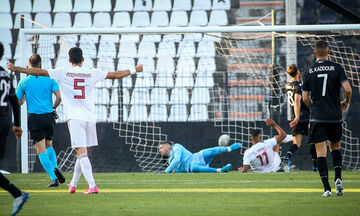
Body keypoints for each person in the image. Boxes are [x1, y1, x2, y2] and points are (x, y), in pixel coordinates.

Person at [8, 47, 143, 194]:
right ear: (83, 59)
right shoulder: (92, 72)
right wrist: (134, 69)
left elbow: (38, 72)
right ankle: (73, 184)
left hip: (75, 118)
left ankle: (92, 186)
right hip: (90, 118)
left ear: (69, 60)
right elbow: (115, 75)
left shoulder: (62, 72)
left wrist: (16, 68)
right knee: (82, 152)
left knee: (81, 153)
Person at [302, 40, 352, 197]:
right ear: (329, 52)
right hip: (334, 115)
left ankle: (327, 189)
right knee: (335, 148)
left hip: (318, 117)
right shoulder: (337, 68)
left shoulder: (309, 71)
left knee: (320, 152)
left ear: (315, 53)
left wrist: (314, 107)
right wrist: (345, 102)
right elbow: (348, 89)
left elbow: (304, 98)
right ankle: (338, 179)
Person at [16, 54, 64, 187]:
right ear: (41, 65)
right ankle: (56, 167)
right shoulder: (50, 78)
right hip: (49, 116)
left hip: (35, 117)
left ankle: (54, 177)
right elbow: (59, 97)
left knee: (40, 150)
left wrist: (25, 97)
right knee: (49, 145)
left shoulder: (24, 82)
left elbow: (18, 102)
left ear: (29, 66)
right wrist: (53, 107)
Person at [0, 42, 29, 215]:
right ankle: (17, 194)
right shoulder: (5, 74)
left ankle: (17, 194)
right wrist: (16, 124)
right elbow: (14, 101)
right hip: (4, 121)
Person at [284, 64, 317, 172]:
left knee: (296, 144)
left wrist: (295, 117)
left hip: (293, 117)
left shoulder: (287, 85)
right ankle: (315, 165)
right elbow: (297, 100)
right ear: (298, 72)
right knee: (312, 141)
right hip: (304, 117)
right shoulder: (300, 86)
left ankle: (287, 157)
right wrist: (298, 117)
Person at [158, 141, 242, 173]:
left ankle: (229, 148)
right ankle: (220, 170)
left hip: (196, 157)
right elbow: (180, 171)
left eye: (161, 147)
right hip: (192, 167)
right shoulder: (170, 162)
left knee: (210, 151)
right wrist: (174, 171)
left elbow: (177, 159)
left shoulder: (176, 146)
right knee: (194, 168)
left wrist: (166, 171)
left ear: (167, 146)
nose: (159, 150)